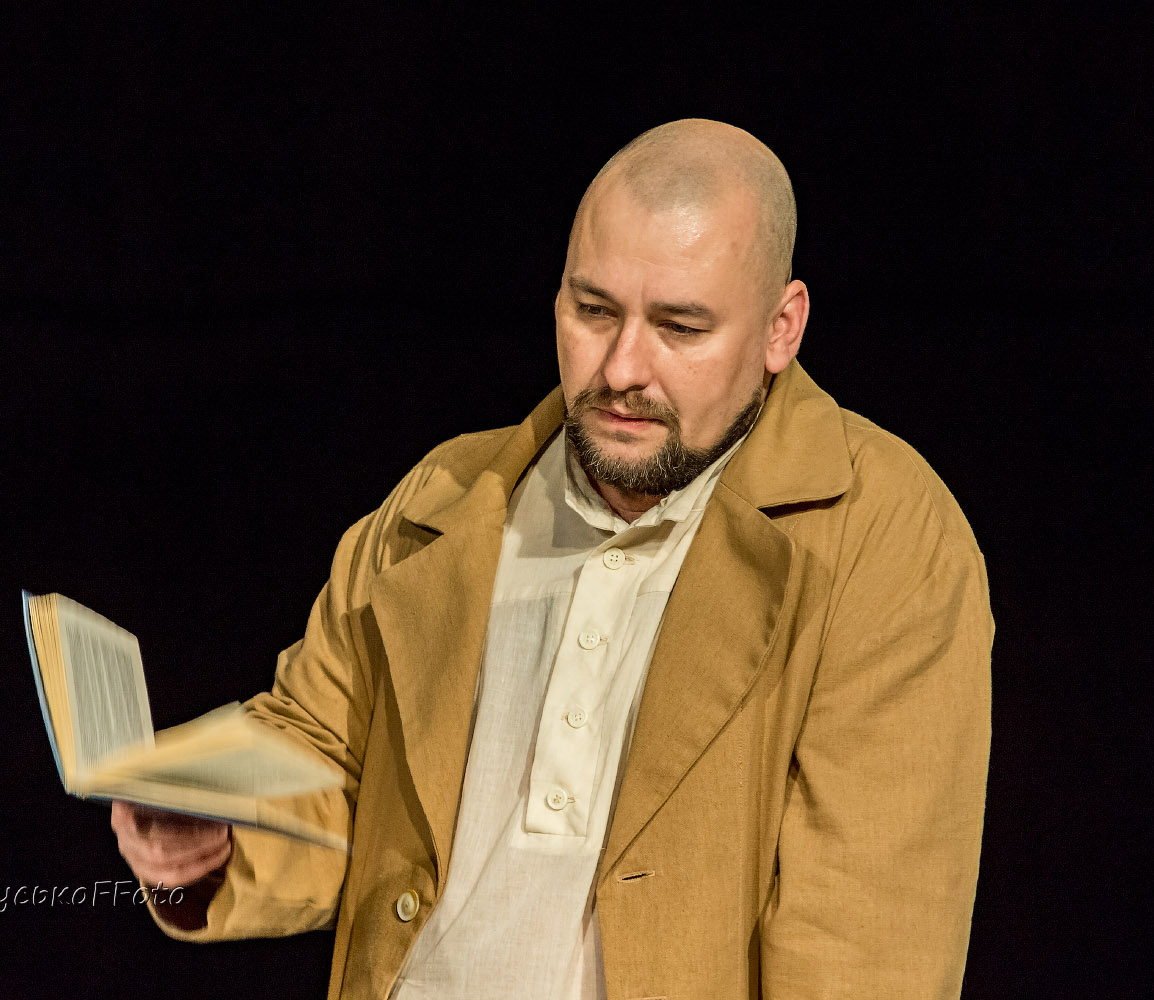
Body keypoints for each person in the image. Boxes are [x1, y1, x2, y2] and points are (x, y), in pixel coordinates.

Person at [111, 119, 994, 999]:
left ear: (781, 329)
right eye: (593, 311)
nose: (623, 368)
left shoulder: (880, 536)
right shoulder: (446, 501)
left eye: (680, 326)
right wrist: (217, 826)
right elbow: (325, 757)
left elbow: (866, 942)